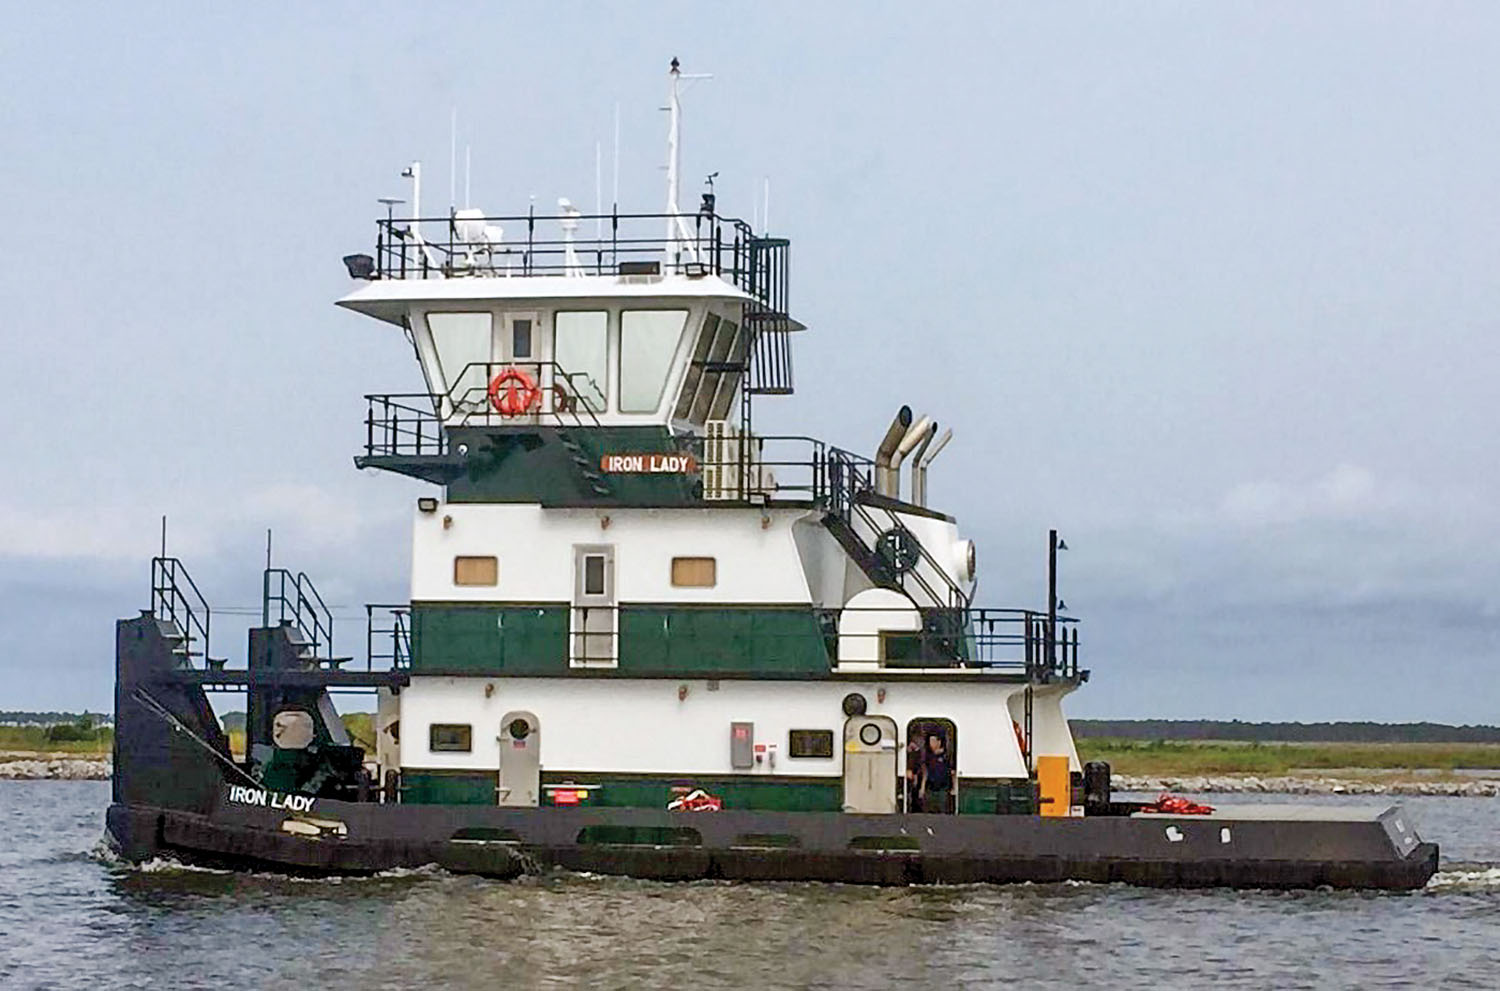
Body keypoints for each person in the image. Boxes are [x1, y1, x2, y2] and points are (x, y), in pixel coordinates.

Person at [919, 732, 952, 813]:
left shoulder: (946, 756)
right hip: (930, 788)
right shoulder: (928, 756)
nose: (931, 744)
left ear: (939, 742)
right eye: (930, 741)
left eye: (933, 741)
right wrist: (922, 787)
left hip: (943, 789)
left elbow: (952, 771)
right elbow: (925, 772)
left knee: (942, 811)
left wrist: (954, 787)